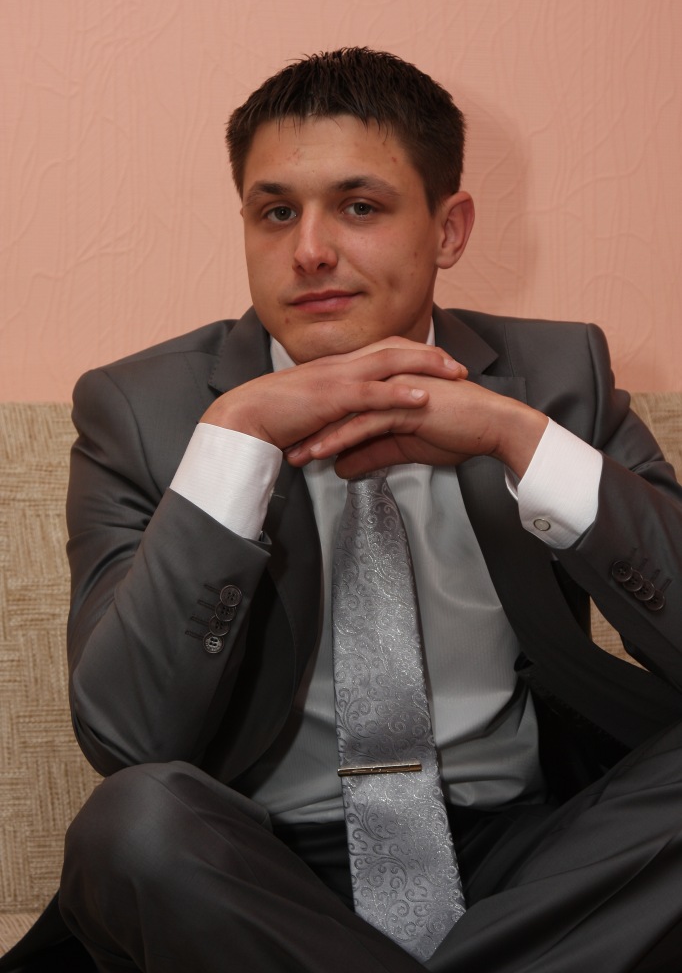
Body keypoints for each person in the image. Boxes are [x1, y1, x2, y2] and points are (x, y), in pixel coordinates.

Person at [3, 47, 682, 973]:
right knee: (134, 825)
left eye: (359, 207)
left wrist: (517, 440)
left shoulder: (561, 377)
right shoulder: (140, 411)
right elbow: (126, 738)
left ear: (449, 229)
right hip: (260, 872)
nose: (310, 250)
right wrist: (236, 438)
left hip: (537, 857)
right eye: (276, 212)